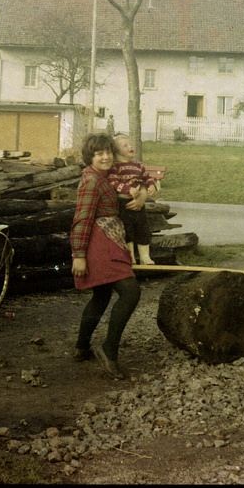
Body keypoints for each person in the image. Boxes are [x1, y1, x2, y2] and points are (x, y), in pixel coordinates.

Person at [70, 132, 143, 379]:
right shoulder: (92, 181)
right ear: (89, 157)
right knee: (131, 292)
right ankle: (108, 350)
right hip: (99, 243)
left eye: (108, 152)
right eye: (99, 153)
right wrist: (79, 255)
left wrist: (142, 195)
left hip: (109, 238)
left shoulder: (105, 176)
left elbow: (140, 183)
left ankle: (81, 347)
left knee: (101, 295)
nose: (105, 157)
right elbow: (82, 219)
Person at [107, 133, 157, 265]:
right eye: (125, 145)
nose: (130, 147)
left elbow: (147, 177)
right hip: (124, 203)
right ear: (117, 151)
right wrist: (127, 189)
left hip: (139, 203)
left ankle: (145, 257)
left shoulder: (138, 165)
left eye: (130, 144)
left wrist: (151, 185)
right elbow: (113, 182)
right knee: (127, 230)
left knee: (142, 228)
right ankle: (131, 257)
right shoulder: (115, 167)